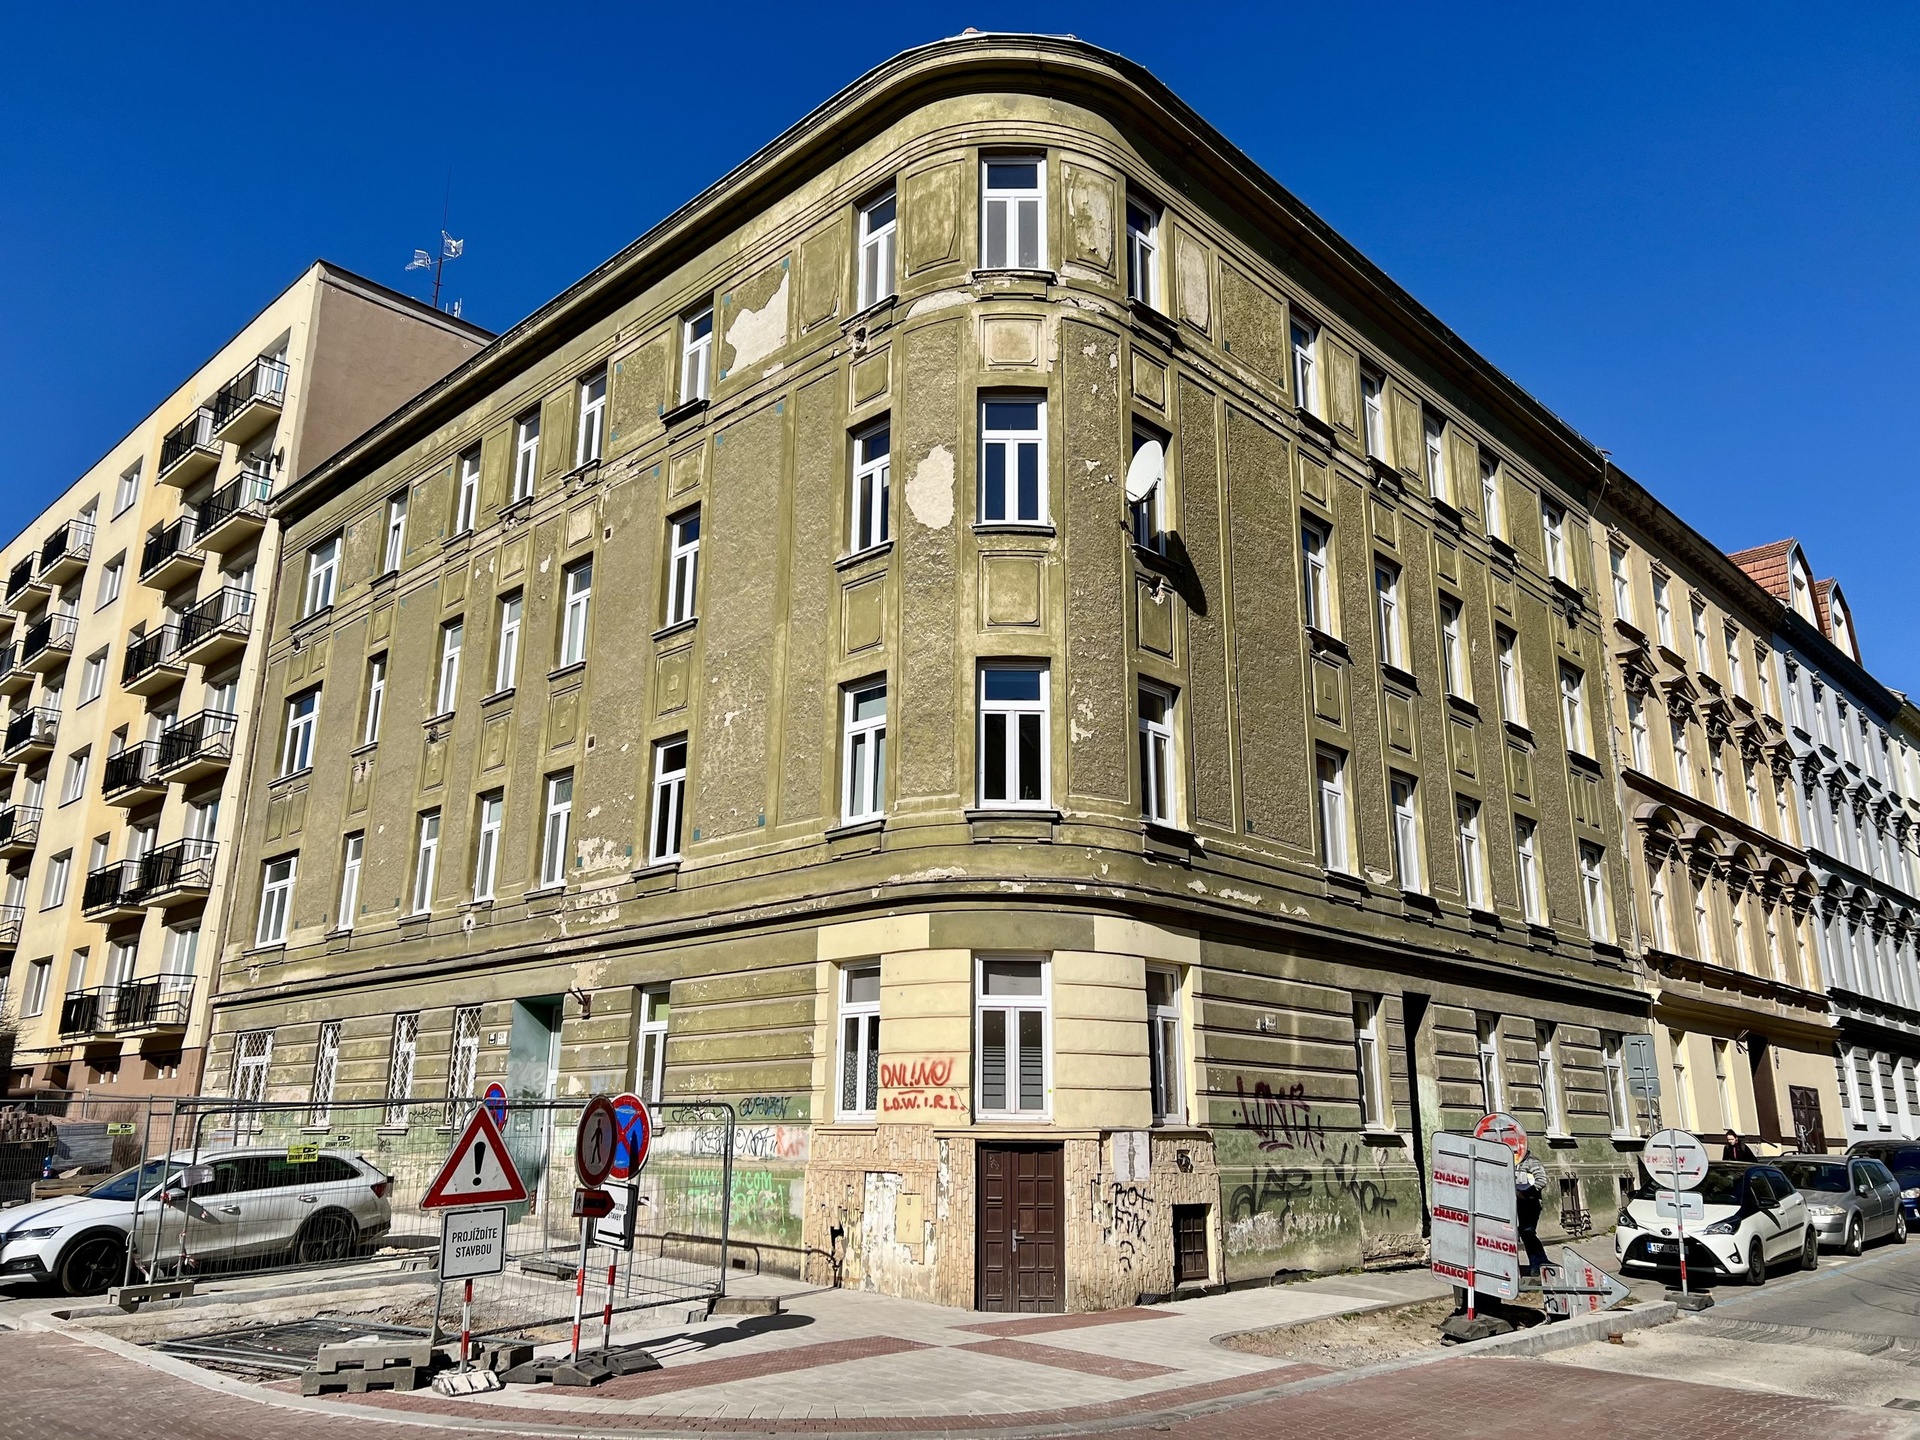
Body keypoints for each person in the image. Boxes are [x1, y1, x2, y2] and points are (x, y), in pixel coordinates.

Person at [1513, 1139, 1549, 1275]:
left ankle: (1538, 1264)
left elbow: (1542, 1180)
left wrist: (1525, 1193)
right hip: (1513, 1204)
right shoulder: (1508, 1161)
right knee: (1520, 1234)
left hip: (1530, 1203)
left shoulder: (1532, 1162)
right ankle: (1540, 1262)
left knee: (1527, 1233)